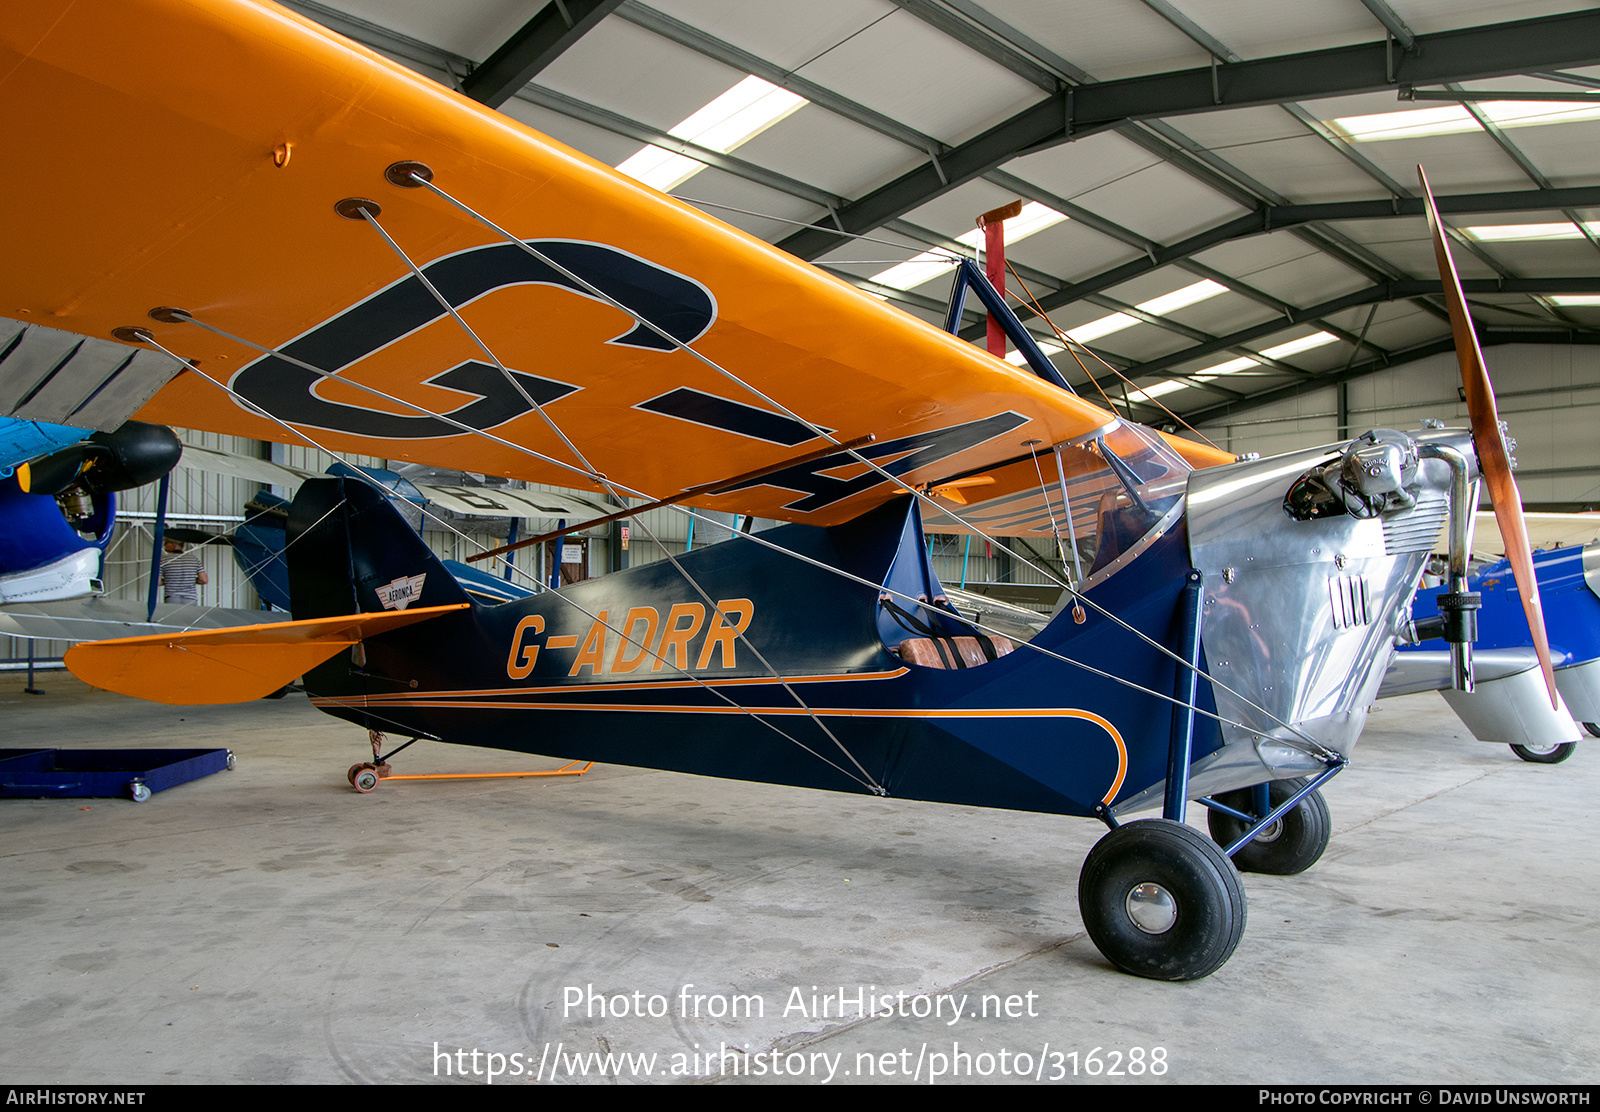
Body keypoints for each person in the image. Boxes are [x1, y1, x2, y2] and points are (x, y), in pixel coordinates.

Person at [160, 537, 208, 604]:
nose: (164, 545)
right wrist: (190, 579)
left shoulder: (164, 560)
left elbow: (157, 582)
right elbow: (204, 580)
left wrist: (170, 580)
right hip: (191, 598)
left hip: (172, 598)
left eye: (166, 543)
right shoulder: (194, 559)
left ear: (174, 544)